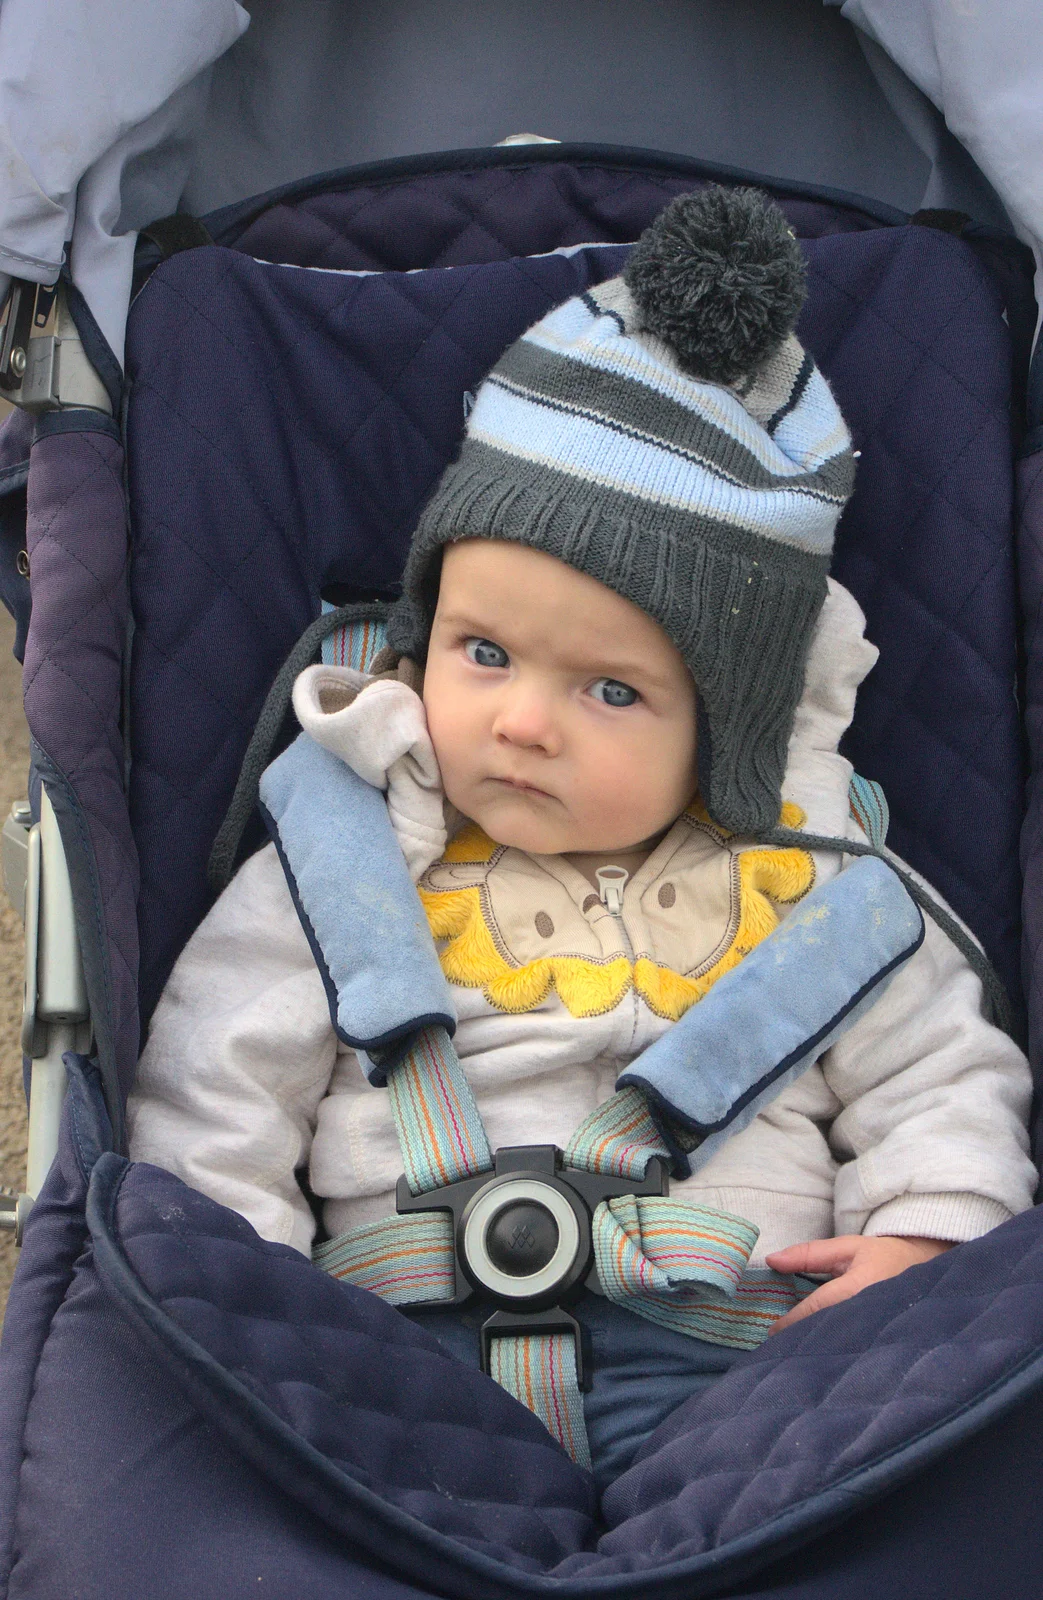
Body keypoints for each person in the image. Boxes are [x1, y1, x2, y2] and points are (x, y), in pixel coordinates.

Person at [127, 187, 1036, 1488]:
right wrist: (254, 1319)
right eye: (481, 652)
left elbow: (939, 1079)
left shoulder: (816, 877)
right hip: (389, 1361)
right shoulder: (345, 852)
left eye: (609, 691)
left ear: (726, 720)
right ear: (419, 632)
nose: (521, 724)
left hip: (756, 1369)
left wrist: (925, 1238)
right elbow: (217, 1095)